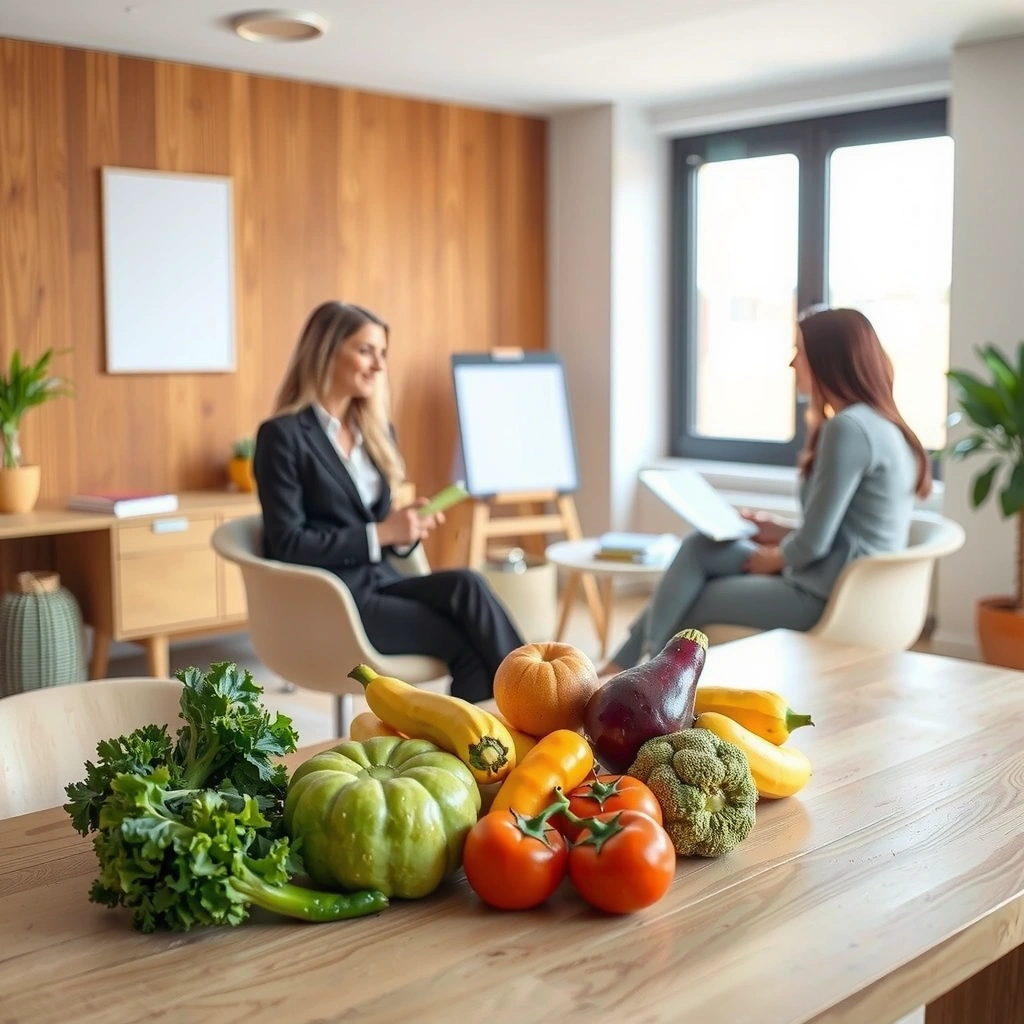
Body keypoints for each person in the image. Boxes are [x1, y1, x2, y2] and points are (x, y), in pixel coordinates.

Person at [602, 306, 932, 674]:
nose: (793, 364)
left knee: (697, 595)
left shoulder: (848, 429)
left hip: (828, 595)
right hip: (841, 581)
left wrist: (774, 557)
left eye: (800, 352)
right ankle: (618, 666)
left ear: (829, 360)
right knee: (699, 547)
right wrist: (777, 530)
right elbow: (845, 534)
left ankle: (640, 679)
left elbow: (813, 546)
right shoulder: (885, 426)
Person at [253, 300, 525, 703]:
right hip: (336, 602)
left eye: (383, 353)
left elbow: (380, 527)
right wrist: (380, 533)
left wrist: (403, 531)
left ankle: (536, 689)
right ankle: (532, 718)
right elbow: (287, 543)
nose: (379, 366)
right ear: (326, 351)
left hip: (382, 581)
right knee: (465, 643)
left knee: (468, 584)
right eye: (366, 350)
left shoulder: (376, 433)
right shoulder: (283, 436)